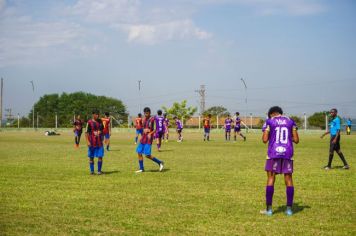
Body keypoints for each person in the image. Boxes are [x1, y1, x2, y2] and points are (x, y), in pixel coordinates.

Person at [260, 106, 299, 216]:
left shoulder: (269, 121)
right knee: (289, 180)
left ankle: (269, 210)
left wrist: (268, 131)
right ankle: (289, 210)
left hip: (273, 153)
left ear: (272, 114)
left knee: (271, 178)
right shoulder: (290, 121)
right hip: (287, 153)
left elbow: (264, 140)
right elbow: (296, 140)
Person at [135, 107, 164, 173]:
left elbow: (155, 129)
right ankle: (141, 169)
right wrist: (143, 132)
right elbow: (143, 127)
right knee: (139, 152)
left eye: (147, 113)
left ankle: (160, 162)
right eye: (145, 113)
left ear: (150, 113)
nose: (146, 114)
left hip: (148, 139)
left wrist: (150, 133)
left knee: (147, 155)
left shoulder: (153, 119)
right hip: (143, 138)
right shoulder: (144, 119)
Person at [85, 109, 104, 175]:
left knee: (100, 156)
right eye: (96, 114)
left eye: (98, 114)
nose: (97, 115)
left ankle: (99, 171)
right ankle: (92, 171)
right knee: (91, 157)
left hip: (99, 142)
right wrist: (87, 141)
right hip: (92, 142)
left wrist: (100, 132)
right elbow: (86, 133)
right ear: (93, 115)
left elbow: (102, 129)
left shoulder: (100, 121)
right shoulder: (89, 122)